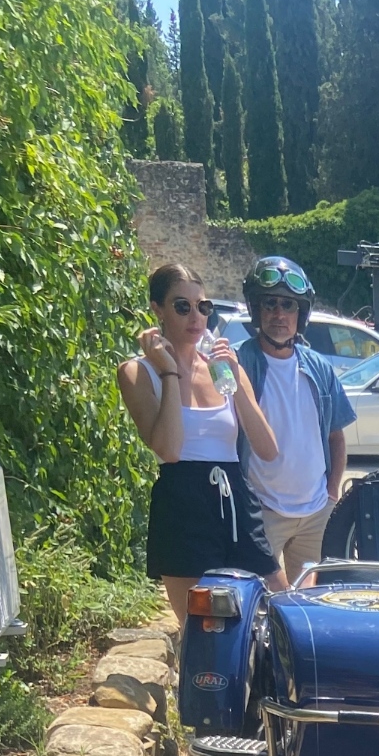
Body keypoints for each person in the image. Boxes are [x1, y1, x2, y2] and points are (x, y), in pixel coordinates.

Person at [117, 263, 283, 625]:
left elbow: (268, 449)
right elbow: (169, 449)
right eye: (182, 306)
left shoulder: (223, 368)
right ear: (157, 310)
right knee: (204, 632)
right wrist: (170, 371)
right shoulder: (137, 372)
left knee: (276, 612)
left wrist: (234, 379)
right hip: (183, 503)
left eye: (203, 307)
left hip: (235, 498)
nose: (196, 317)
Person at [232, 256, 356, 583]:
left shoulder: (320, 367)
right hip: (262, 511)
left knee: (312, 605)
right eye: (270, 303)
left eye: (288, 305)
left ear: (300, 314)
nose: (279, 313)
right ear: (256, 309)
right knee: (256, 600)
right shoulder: (238, 362)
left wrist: (331, 491)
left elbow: (336, 436)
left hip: (316, 512)